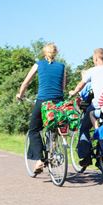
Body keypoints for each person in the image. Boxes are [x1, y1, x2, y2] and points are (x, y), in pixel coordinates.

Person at [16, 43, 66, 175]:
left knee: (33, 129)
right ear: (56, 53)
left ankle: (39, 160)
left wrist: (20, 95)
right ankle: (54, 148)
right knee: (55, 125)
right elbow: (63, 87)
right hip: (58, 102)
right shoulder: (62, 67)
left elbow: (26, 82)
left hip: (43, 101)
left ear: (45, 53)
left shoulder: (39, 64)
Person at [69, 48, 103, 167]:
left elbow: (82, 84)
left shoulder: (92, 71)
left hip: (98, 106)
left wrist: (74, 92)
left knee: (84, 127)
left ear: (95, 58)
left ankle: (86, 157)